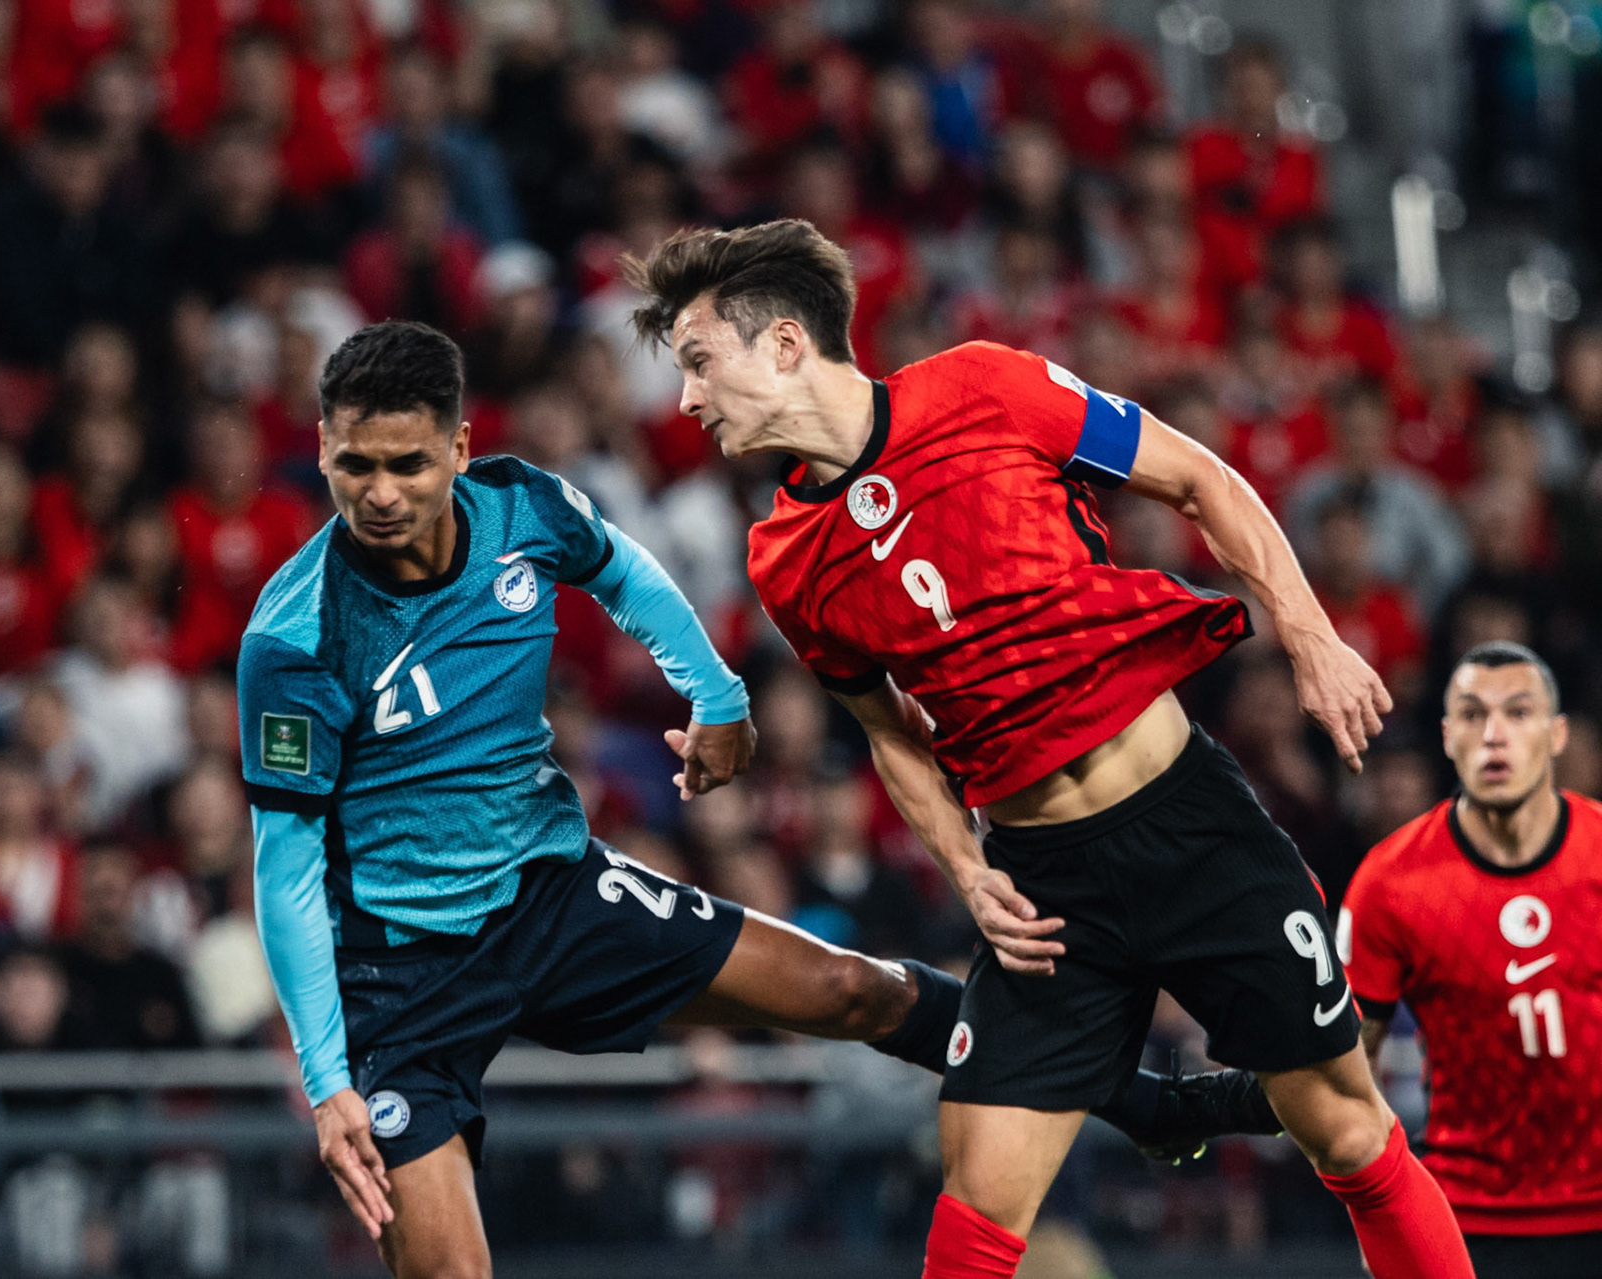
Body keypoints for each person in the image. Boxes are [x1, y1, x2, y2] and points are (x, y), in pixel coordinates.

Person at [241, 321, 1268, 1278]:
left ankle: (1149, 1106)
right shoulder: (294, 638)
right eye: (353, 465)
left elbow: (625, 574)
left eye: (406, 463)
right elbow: (284, 865)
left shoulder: (522, 509)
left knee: (856, 991)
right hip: (399, 971)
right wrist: (328, 1081)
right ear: (324, 452)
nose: (379, 492)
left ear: (460, 449)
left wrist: (718, 694)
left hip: (554, 895)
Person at [626, 220, 1472, 1279]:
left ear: (787, 343)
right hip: (1043, 888)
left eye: (701, 361)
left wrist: (1309, 635)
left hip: (1187, 823)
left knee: (1350, 1134)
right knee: (976, 1212)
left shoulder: (986, 386)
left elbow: (1199, 476)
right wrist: (970, 874)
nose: (689, 398)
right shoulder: (783, 556)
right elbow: (887, 730)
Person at [1340, 642, 1602, 1278]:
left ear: (1558, 733)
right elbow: (1344, 1075)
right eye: (1473, 715)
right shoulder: (1390, 882)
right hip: (1462, 1224)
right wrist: (1391, 1210)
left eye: (1518, 712)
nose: (1494, 735)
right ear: (1448, 736)